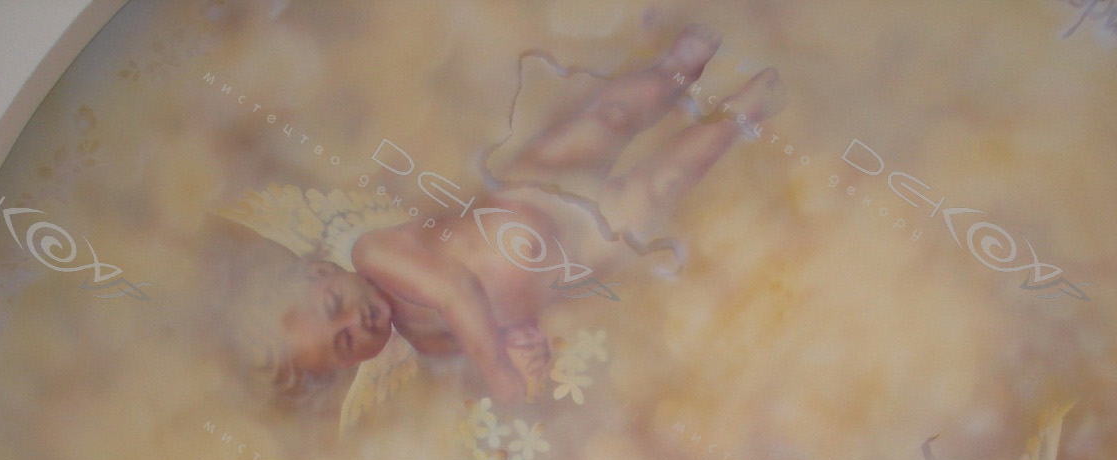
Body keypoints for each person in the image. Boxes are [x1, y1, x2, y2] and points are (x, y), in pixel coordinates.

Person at [252, 25, 782, 405]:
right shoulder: (430, 345)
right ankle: (743, 112)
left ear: (324, 270)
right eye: (344, 342)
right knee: (664, 182)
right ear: (351, 366)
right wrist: (526, 351)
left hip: (536, 187)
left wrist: (499, 372)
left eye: (335, 306)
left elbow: (457, 289)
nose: (356, 322)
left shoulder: (375, 255)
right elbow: (506, 320)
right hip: (578, 253)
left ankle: (675, 70)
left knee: (610, 117)